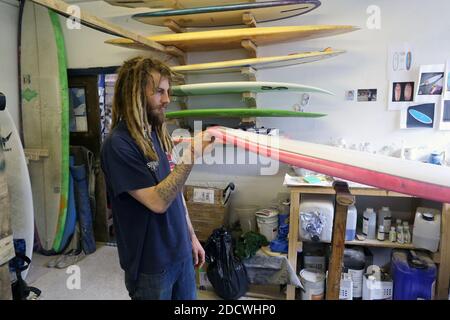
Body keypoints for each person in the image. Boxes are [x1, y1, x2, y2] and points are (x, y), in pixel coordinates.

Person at [100, 56, 214, 300]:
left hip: (180, 253)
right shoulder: (118, 146)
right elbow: (158, 202)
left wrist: (191, 236)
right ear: (136, 94)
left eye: (168, 91)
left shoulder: (155, 133)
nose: (167, 99)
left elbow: (175, 191)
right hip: (151, 265)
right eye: (159, 92)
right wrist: (191, 154)